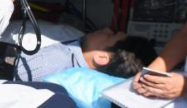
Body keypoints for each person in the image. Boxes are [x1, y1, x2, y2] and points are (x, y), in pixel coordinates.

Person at [13, 27, 157, 82]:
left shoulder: (54, 61)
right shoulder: (76, 38)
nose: (106, 29)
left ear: (101, 58)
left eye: (111, 34)